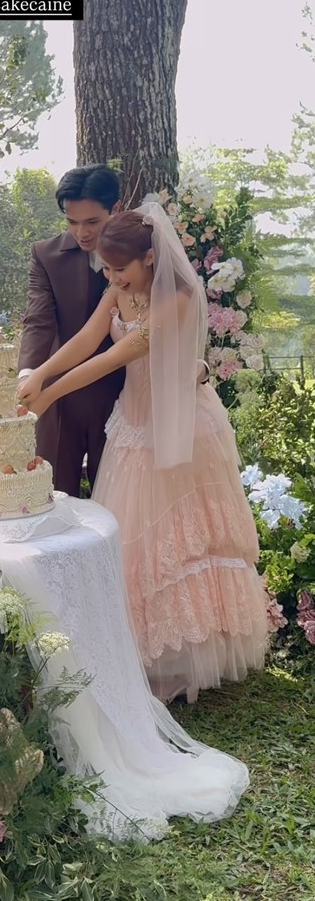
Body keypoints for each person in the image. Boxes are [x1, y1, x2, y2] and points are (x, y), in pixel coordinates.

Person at [19, 203, 268, 703]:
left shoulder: (177, 297)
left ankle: (182, 657)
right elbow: (89, 339)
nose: (112, 279)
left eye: (120, 269)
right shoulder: (118, 288)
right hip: (133, 424)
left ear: (150, 258)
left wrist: (51, 395)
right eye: (106, 271)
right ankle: (133, 649)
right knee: (129, 538)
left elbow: (117, 354)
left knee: (180, 539)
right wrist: (38, 374)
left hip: (179, 427)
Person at [18, 165, 125, 497]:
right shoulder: (45, 255)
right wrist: (27, 374)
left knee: (117, 507)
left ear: (116, 209)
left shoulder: (142, 254)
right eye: (71, 221)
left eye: (92, 221)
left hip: (123, 396)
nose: (82, 232)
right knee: (53, 501)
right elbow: (39, 322)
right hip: (59, 399)